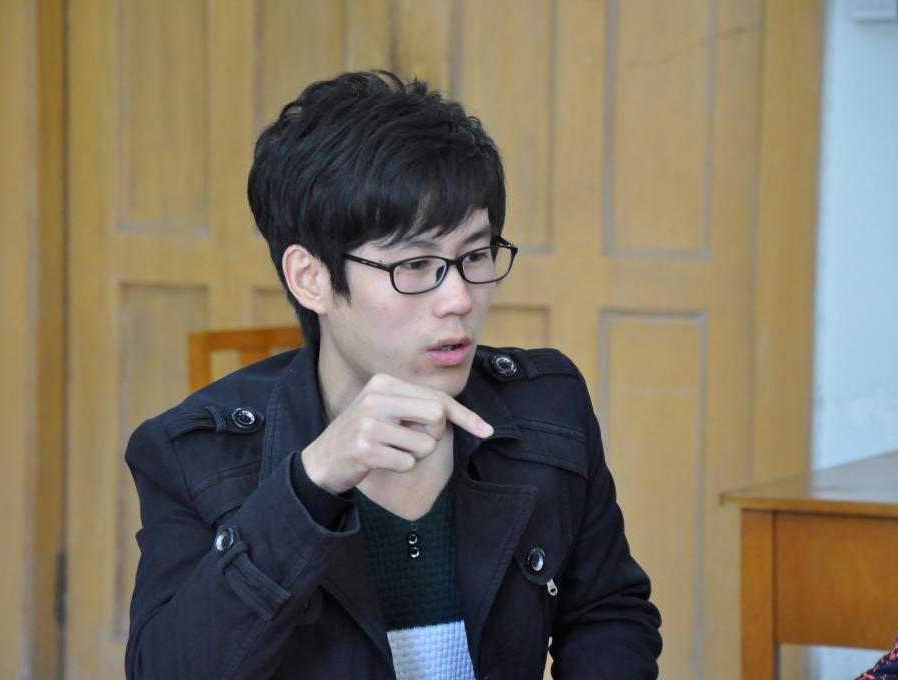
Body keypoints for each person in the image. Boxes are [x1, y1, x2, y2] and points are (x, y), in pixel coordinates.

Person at [124, 71, 662, 679]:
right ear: (311, 278)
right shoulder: (194, 454)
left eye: (475, 255)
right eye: (415, 264)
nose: (459, 298)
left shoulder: (548, 409)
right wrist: (310, 484)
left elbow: (607, 613)